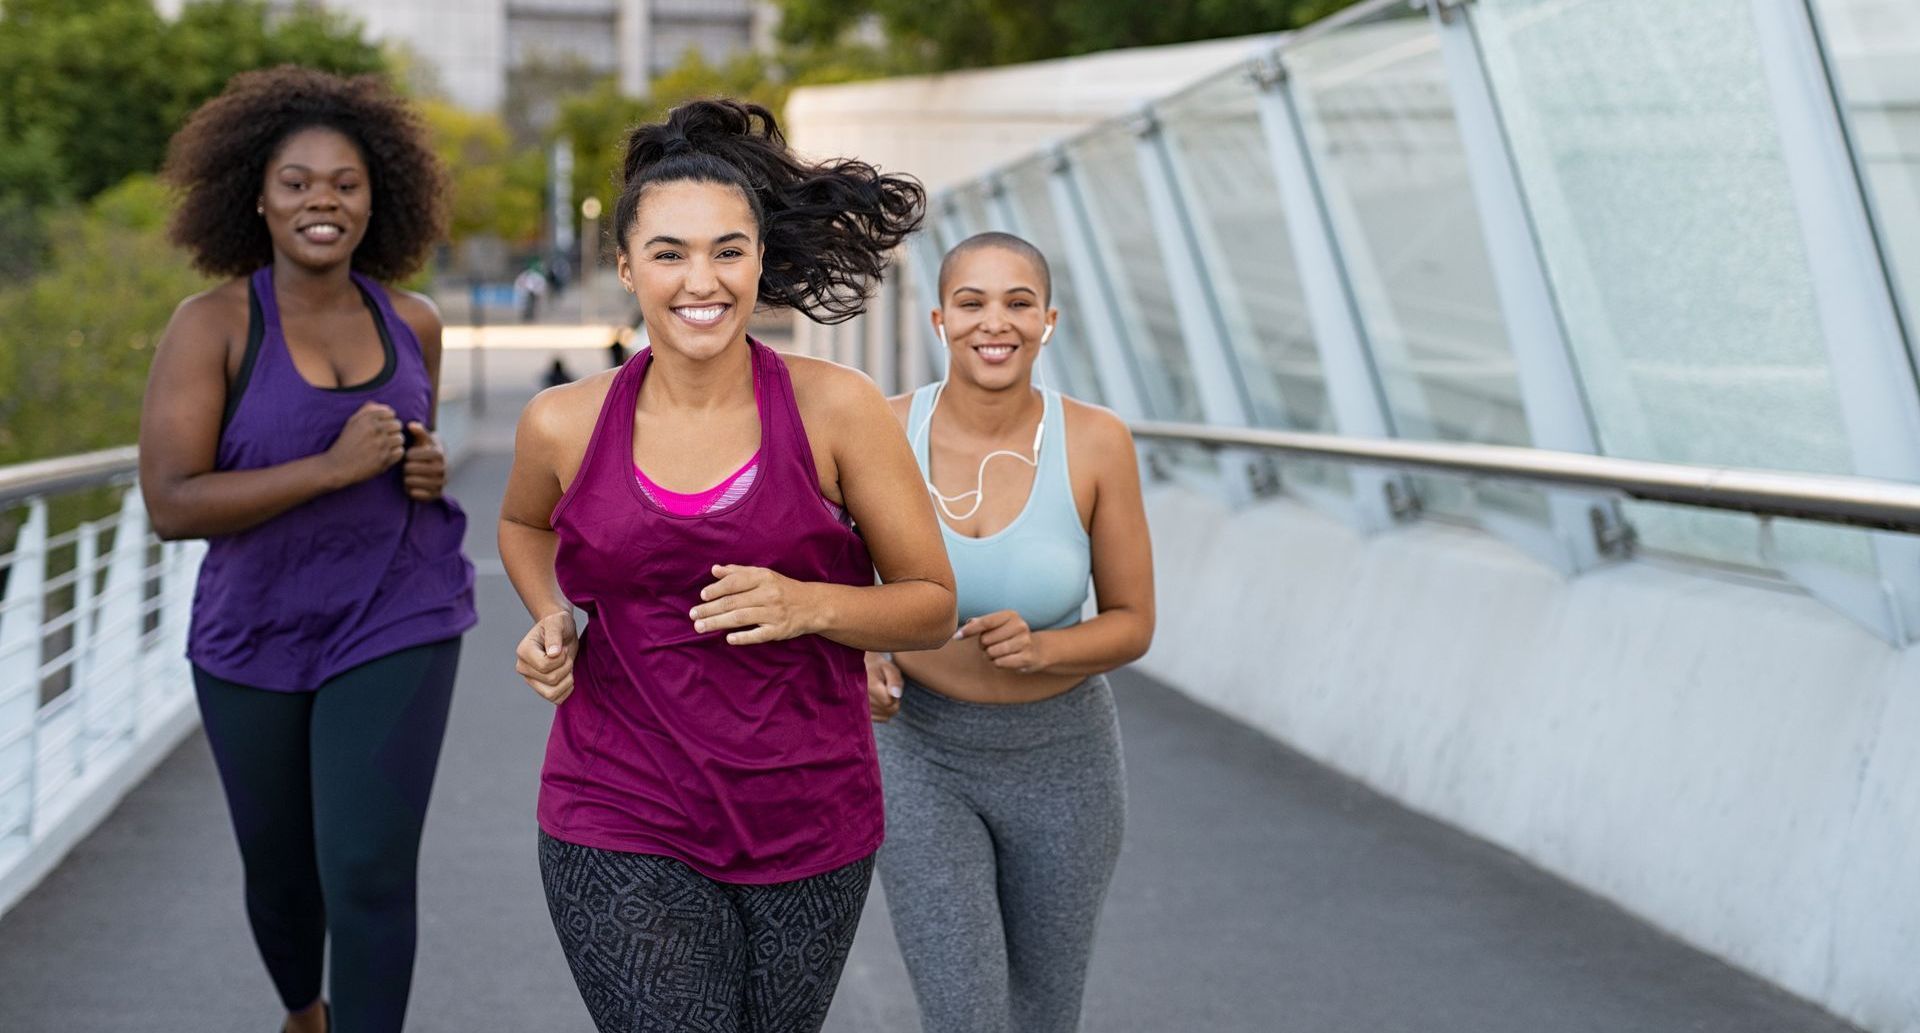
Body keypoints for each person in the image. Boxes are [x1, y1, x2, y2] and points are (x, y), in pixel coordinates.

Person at [498, 98, 956, 1033]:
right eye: (668, 253)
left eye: (727, 250)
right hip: (618, 804)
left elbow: (931, 604)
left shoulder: (838, 408)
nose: (700, 280)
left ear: (760, 262)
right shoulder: (564, 422)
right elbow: (522, 524)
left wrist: (809, 604)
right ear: (625, 266)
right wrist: (553, 615)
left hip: (809, 815)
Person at [138, 66, 476, 1033]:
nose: (321, 199)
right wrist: (329, 469)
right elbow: (171, 502)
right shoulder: (211, 327)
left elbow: (412, 451)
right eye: (296, 182)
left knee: (369, 866)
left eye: (345, 182)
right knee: (282, 878)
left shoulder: (412, 320)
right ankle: (304, 1009)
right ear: (255, 194)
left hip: (398, 613)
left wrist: (425, 466)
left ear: (379, 199)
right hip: (256, 629)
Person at [865, 231, 1156, 1033]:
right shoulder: (882, 430)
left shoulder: (1097, 442)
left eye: (1019, 303)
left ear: (1049, 321)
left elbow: (1134, 623)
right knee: (964, 1012)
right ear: (938, 319)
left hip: (1066, 760)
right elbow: (837, 577)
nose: (996, 323)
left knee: (1042, 1012)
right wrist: (866, 651)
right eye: (972, 302)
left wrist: (1046, 647)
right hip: (922, 754)